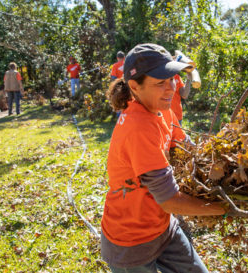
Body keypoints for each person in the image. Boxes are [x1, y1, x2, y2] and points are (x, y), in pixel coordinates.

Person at [101, 43, 226, 273]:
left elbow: (184, 144)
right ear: (134, 87)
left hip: (163, 227)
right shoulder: (139, 127)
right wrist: (224, 207)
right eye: (160, 83)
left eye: (172, 79)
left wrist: (220, 156)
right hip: (131, 241)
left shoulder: (162, 108)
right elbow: (169, 200)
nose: (170, 89)